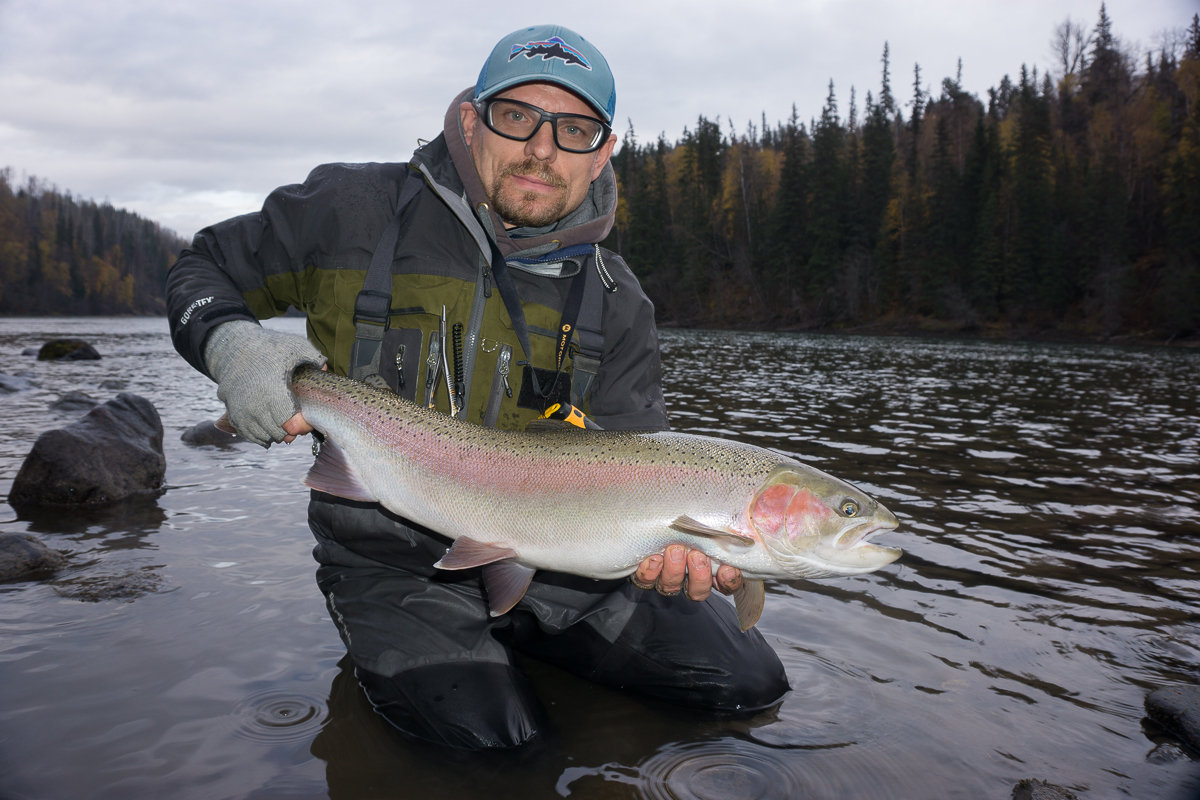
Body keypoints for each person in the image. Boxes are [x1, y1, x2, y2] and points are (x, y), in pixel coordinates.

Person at [166, 24, 788, 750]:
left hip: (568, 568)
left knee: (747, 688)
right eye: (519, 117)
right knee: (494, 751)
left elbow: (644, 468)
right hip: (391, 559)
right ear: (471, 119)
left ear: (603, 154)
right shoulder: (351, 211)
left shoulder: (620, 301)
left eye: (576, 129)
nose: (543, 150)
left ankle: (517, 648)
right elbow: (200, 267)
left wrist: (671, 551)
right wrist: (233, 345)